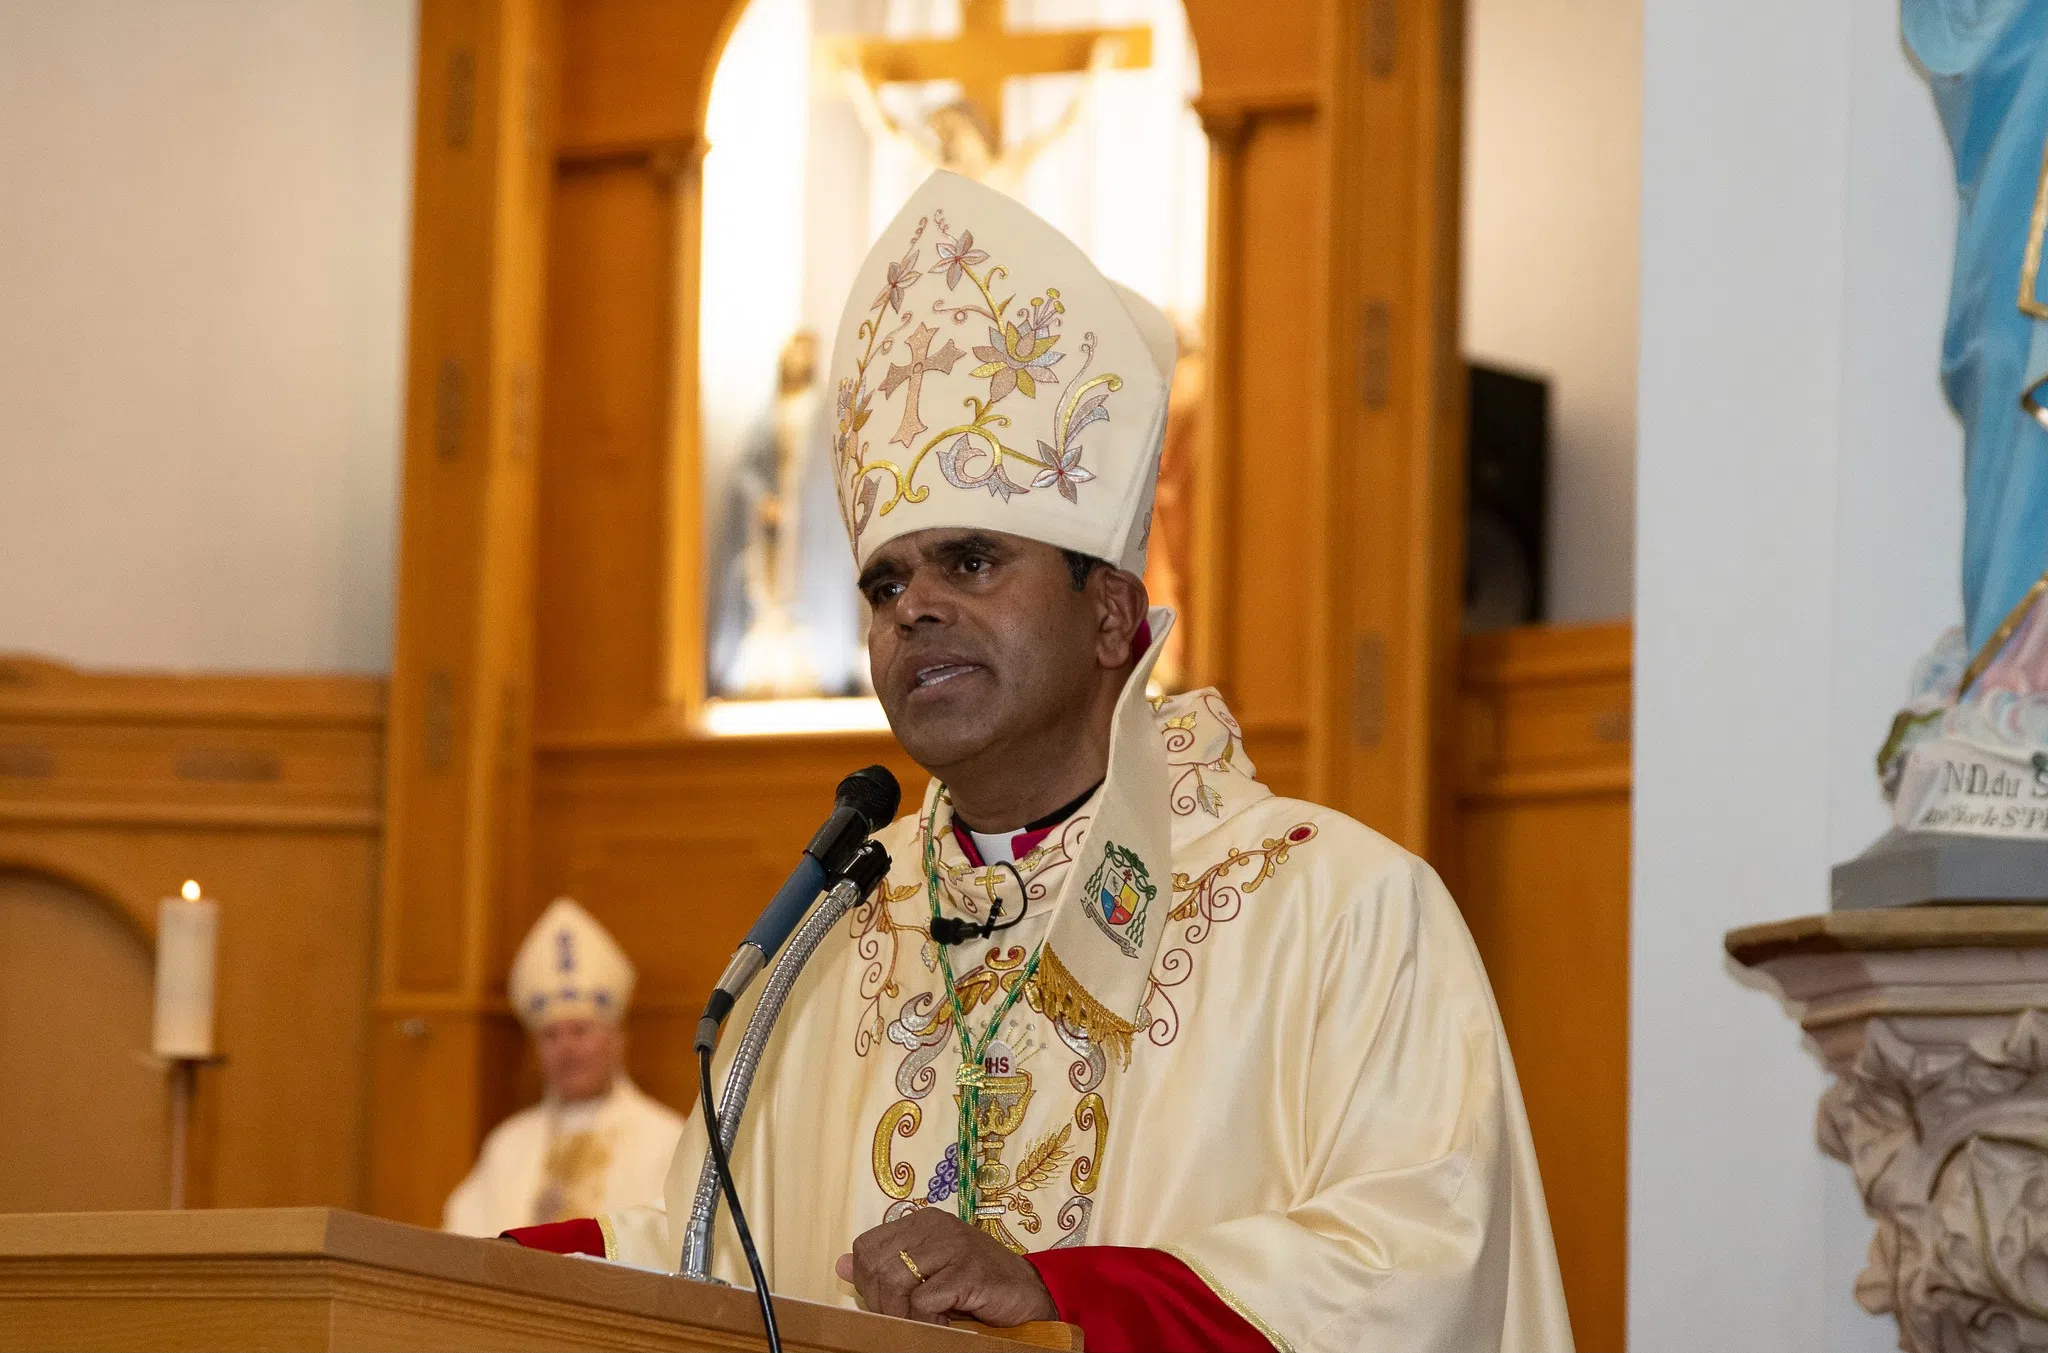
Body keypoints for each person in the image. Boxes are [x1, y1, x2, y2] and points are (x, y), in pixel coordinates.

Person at [506, 171, 1573, 1353]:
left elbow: (1419, 1264)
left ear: (1111, 615)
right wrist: (476, 1280)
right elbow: (706, 1256)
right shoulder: (829, 941)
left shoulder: (1336, 911)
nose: (912, 608)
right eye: (884, 583)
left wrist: (1065, 1297)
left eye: (969, 562)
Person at [443, 898, 683, 1238]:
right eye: (551, 1035)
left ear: (618, 1039)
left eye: (580, 1031)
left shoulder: (664, 1141)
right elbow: (461, 1243)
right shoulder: (509, 1145)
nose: (566, 1048)